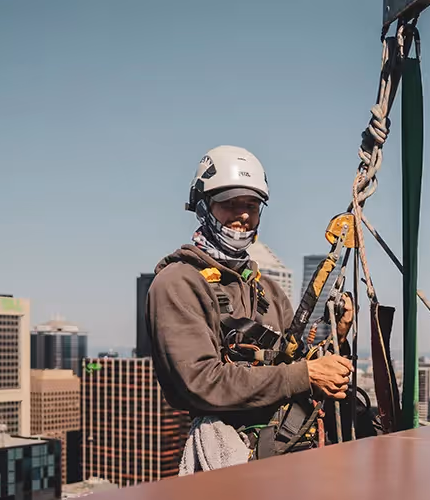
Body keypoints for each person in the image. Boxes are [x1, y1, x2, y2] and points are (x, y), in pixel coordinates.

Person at [145, 144, 357, 474]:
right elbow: (201, 382)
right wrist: (305, 375)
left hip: (288, 448)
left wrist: (335, 340)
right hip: (230, 456)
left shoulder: (267, 289)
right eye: (230, 203)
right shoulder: (178, 283)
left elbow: (293, 363)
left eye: (252, 205)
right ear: (203, 207)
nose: (243, 215)